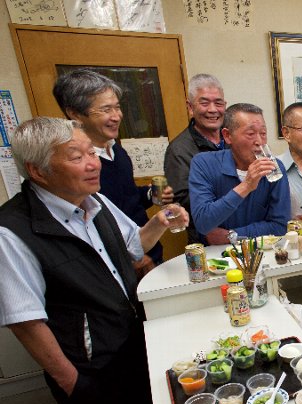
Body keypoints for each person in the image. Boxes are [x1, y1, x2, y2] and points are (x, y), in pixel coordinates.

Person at [0, 117, 188, 404]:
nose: (93, 162)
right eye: (76, 156)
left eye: (91, 152)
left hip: (125, 339)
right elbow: (25, 321)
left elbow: (133, 245)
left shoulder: (94, 202)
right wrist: (73, 385)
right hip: (85, 364)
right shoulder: (12, 231)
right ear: (38, 170)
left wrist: (162, 222)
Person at [52, 69, 171, 277]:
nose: (116, 116)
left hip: (146, 247)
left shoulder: (115, 149)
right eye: (106, 109)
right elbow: (88, 221)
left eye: (117, 107)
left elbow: (126, 197)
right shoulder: (76, 170)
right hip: (122, 263)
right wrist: (134, 257)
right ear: (75, 114)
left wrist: (150, 195)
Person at [189, 103, 290, 244]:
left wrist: (233, 235)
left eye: (263, 133)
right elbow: (203, 223)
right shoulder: (204, 164)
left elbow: (280, 226)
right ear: (227, 136)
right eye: (250, 134)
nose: (259, 142)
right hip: (216, 258)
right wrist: (246, 185)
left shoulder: (274, 167)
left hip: (263, 253)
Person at [164, 73, 226, 243]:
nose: (213, 110)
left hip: (243, 231)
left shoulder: (233, 136)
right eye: (204, 103)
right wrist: (238, 193)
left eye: (218, 103)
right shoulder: (178, 150)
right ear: (190, 107)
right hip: (207, 237)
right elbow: (185, 201)